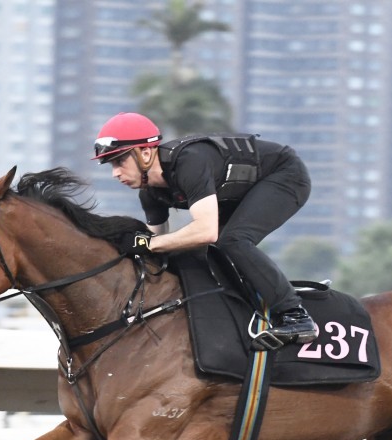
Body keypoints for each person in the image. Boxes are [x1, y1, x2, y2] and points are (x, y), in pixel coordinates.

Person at [92, 112, 317, 348]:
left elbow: (206, 231)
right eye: (111, 165)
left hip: (285, 175)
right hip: (241, 191)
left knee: (233, 241)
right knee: (195, 251)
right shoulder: (150, 194)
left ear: (145, 153)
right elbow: (156, 246)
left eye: (119, 162)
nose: (115, 173)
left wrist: (148, 243)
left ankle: (296, 316)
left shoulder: (190, 162)